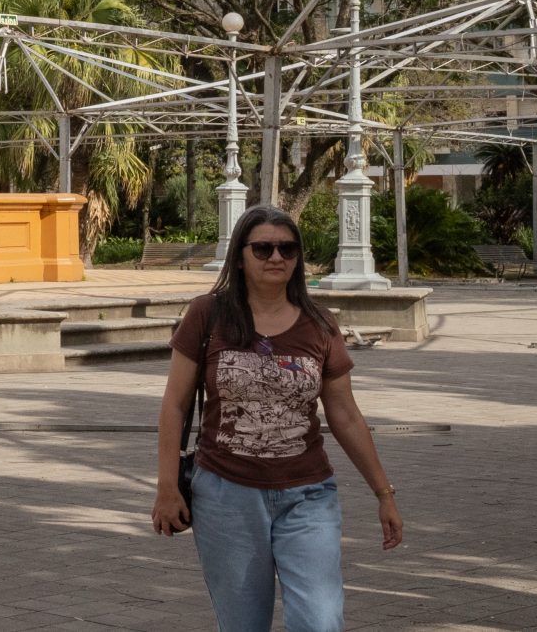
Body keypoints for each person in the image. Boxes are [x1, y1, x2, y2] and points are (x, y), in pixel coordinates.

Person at [152, 204, 402, 631]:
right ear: (241, 255)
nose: (276, 258)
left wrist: (383, 492)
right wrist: (167, 486)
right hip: (226, 496)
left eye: (287, 249)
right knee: (244, 625)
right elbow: (174, 404)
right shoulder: (206, 315)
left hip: (307, 494)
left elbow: (344, 413)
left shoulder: (320, 324)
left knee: (320, 621)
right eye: (263, 248)